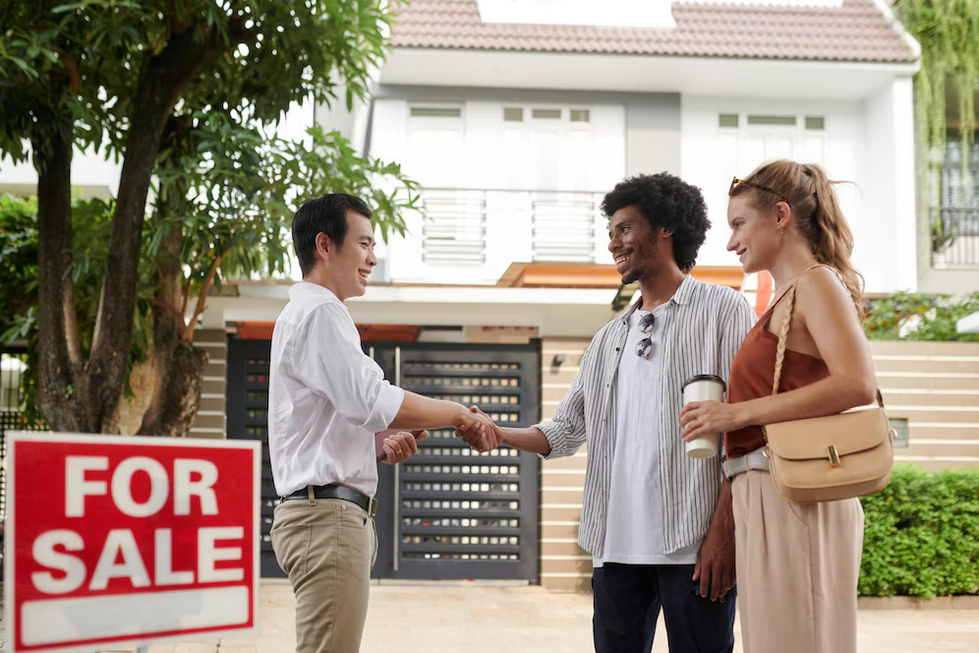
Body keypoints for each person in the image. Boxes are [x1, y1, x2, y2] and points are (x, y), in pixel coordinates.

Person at [461, 173, 755, 653]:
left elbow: (744, 428)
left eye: (625, 229)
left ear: (664, 228)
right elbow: (566, 429)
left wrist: (725, 532)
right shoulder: (607, 339)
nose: (613, 242)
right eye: (611, 231)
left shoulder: (723, 310)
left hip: (694, 544)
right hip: (615, 549)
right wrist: (499, 433)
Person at [267, 193, 495, 653]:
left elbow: (316, 428)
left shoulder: (307, 313)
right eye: (364, 244)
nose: (373, 258)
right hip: (326, 520)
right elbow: (370, 399)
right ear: (325, 245)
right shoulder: (321, 312)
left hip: (323, 515)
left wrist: (372, 447)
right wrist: (456, 413)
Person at [679, 160, 876, 653]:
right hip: (769, 492)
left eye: (738, 224)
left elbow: (857, 384)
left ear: (781, 215)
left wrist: (736, 414)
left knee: (799, 639)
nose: (731, 242)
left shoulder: (816, 283)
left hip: (794, 493)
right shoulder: (787, 296)